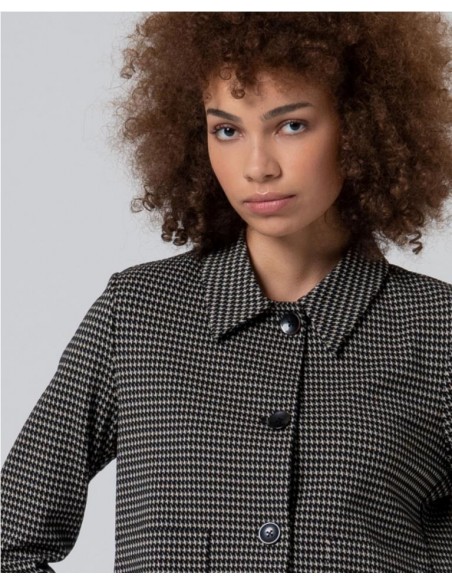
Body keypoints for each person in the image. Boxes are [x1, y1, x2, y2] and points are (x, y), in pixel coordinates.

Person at [1, 12, 452, 573]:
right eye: (228, 130)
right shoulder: (137, 314)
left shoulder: (438, 330)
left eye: (292, 125)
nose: (257, 168)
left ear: (361, 128)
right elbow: (9, 537)